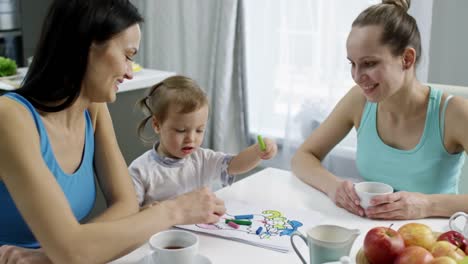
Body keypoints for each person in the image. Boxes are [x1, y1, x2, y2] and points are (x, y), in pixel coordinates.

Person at [0, 1, 225, 263]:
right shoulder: (10, 118)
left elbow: (126, 205)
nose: (130, 72)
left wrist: (54, 253)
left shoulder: (93, 110)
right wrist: (174, 210)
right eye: (128, 56)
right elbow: (72, 250)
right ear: (85, 47)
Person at [292, 0, 468, 220]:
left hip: (436, 245)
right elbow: (302, 157)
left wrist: (427, 205)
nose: (357, 77)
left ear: (406, 59)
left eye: (369, 63)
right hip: (372, 235)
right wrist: (333, 187)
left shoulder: (455, 114)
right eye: (352, 64)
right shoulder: (359, 101)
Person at [130, 75, 278, 207]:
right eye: (181, 130)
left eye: (199, 130)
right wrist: (147, 212)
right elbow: (128, 217)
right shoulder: (140, 170)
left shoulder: (202, 159)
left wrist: (257, 152)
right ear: (157, 125)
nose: (191, 138)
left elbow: (236, 164)